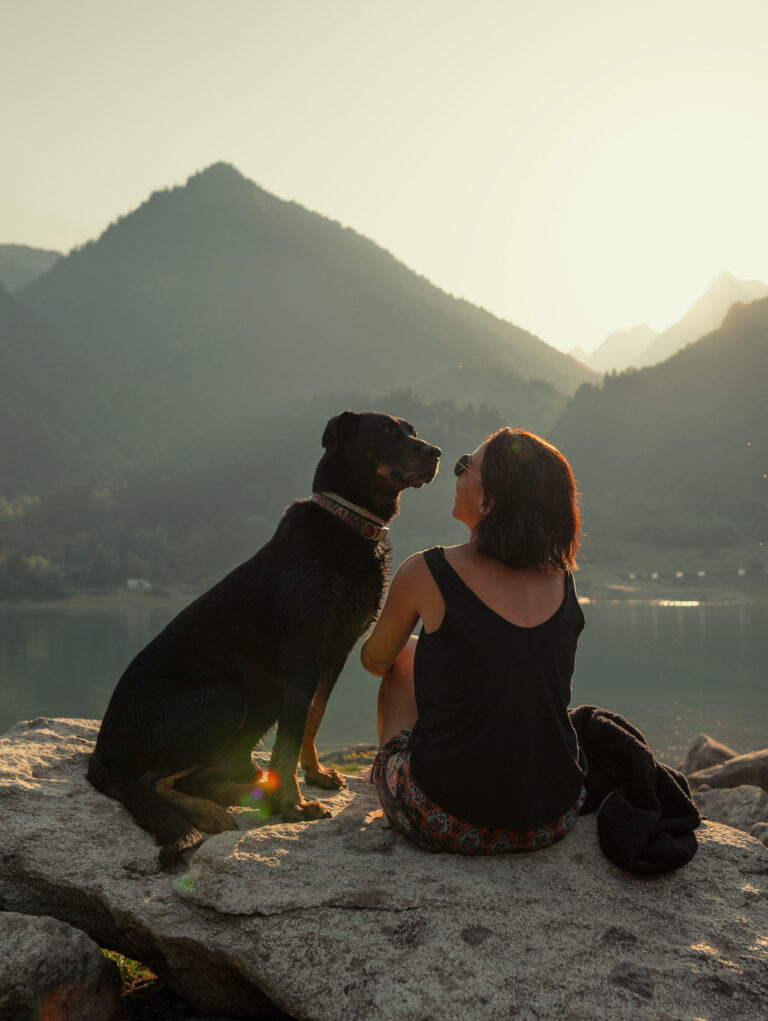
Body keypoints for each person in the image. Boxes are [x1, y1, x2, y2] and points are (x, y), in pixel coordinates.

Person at [359, 427, 587, 854]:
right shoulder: (562, 579)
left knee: (404, 655)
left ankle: (388, 775)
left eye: (466, 466)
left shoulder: (427, 570)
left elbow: (374, 662)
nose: (455, 472)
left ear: (489, 501)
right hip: (551, 816)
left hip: (445, 817)